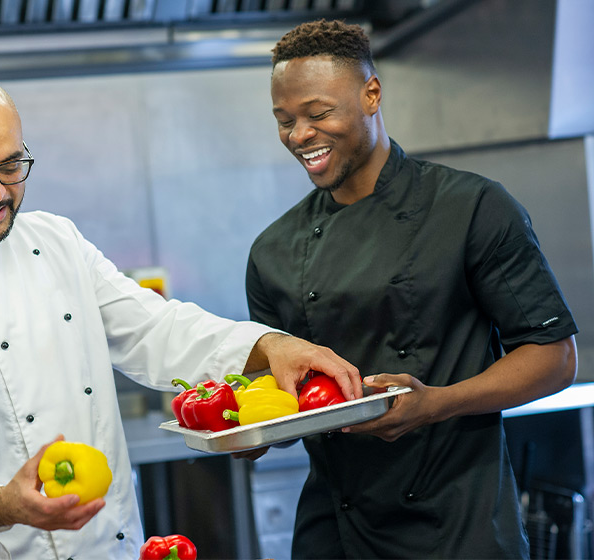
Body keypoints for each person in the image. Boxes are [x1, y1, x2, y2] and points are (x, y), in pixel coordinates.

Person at [0, 76, 362, 559]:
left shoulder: (55, 241)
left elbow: (154, 329)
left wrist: (269, 345)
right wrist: (0, 505)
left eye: (11, 166)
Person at [245, 19, 578, 559]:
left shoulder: (469, 207)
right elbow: (280, 397)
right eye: (284, 120)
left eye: (318, 113)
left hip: (455, 528)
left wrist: (435, 404)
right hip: (334, 532)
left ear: (371, 94)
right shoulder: (272, 251)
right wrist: (255, 431)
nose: (299, 134)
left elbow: (554, 357)